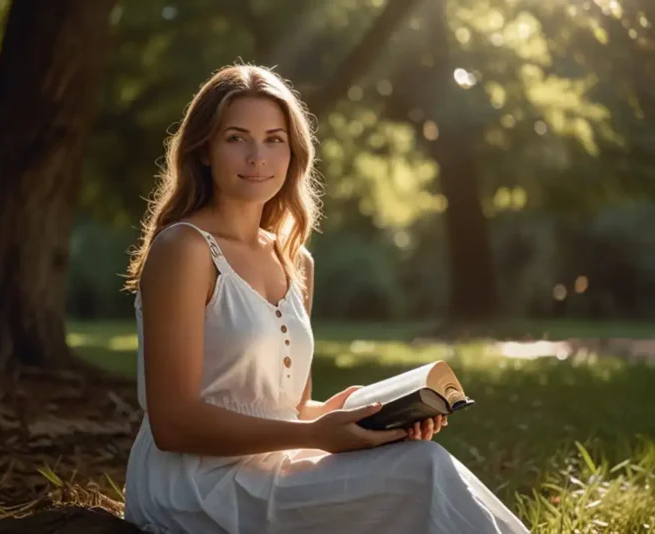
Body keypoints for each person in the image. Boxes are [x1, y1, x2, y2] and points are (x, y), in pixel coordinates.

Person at [123, 63, 529, 534]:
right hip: (194, 486)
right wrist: (313, 434)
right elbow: (173, 424)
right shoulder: (184, 249)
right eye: (237, 138)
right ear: (205, 150)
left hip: (275, 466)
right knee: (424, 474)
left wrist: (360, 415)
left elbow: (292, 409)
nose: (258, 156)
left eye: (274, 139)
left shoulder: (295, 260)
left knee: (416, 456)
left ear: (293, 152)